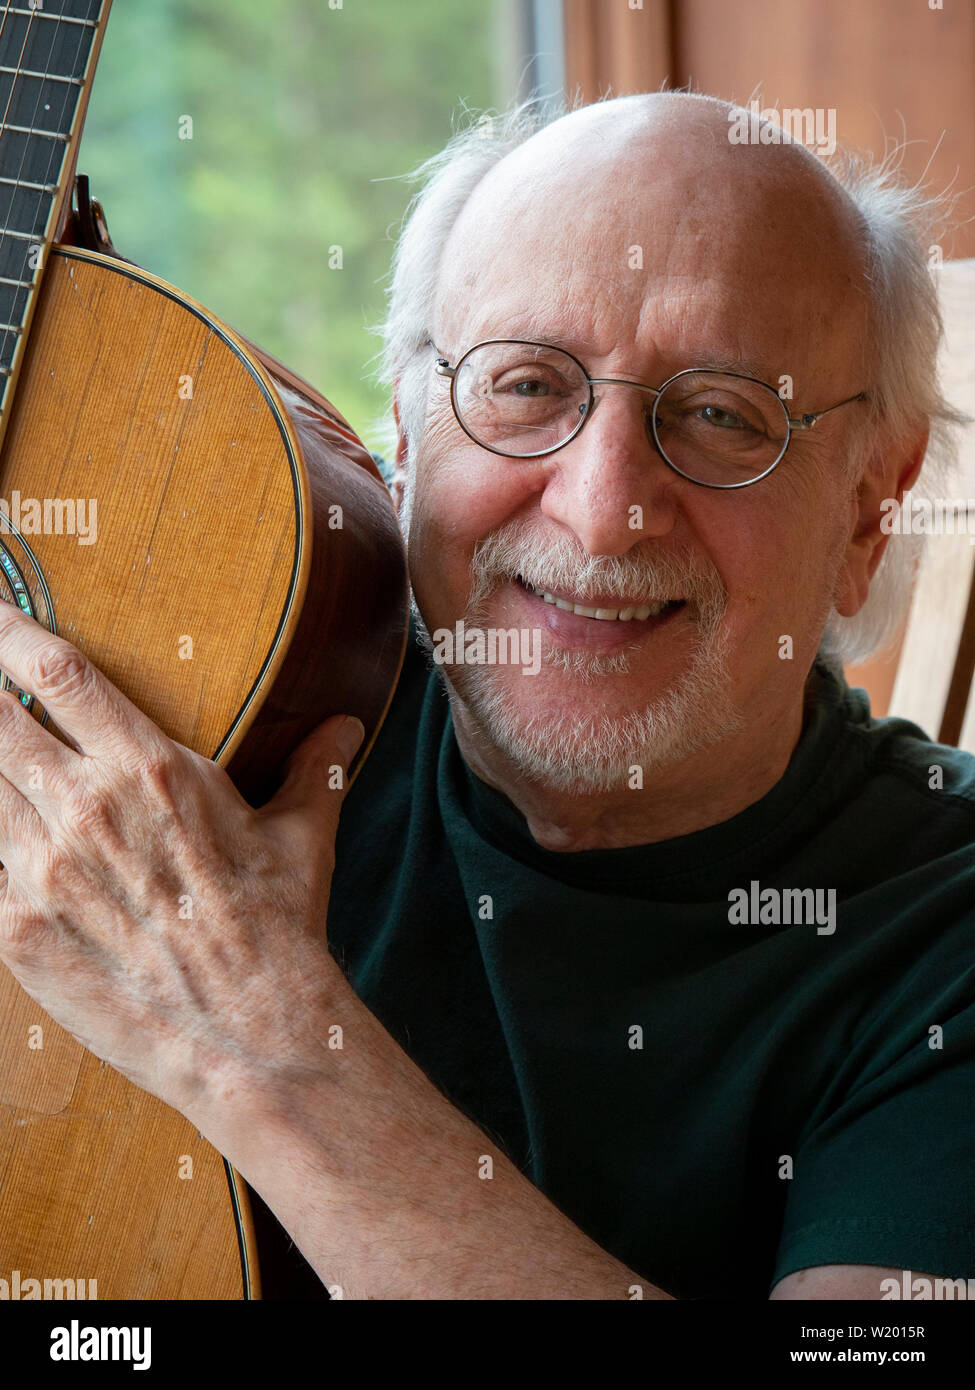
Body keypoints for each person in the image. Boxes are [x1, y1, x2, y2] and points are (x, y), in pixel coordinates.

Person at [0, 91, 972, 1301]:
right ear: (403, 435)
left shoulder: (950, 936)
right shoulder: (223, 697)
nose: (602, 507)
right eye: (525, 387)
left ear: (872, 509)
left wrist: (258, 1036)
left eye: (726, 416)